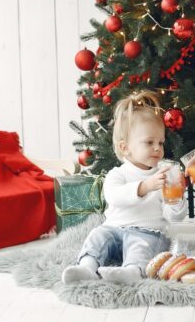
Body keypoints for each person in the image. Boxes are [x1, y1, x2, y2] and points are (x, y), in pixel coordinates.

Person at [61, 91, 187, 285]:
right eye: (149, 142)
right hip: (114, 229)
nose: (157, 148)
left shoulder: (164, 175)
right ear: (125, 148)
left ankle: (132, 271)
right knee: (97, 236)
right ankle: (87, 266)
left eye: (160, 143)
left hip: (148, 232)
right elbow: (115, 197)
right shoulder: (117, 174)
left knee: (141, 246)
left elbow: (173, 217)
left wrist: (177, 199)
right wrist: (145, 186)